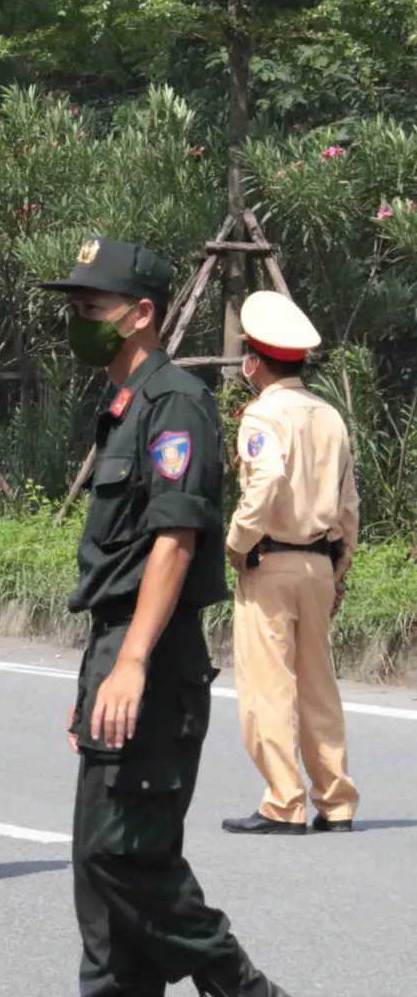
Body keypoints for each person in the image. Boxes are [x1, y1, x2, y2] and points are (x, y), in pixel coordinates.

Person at [41, 237, 290, 997]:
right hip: (118, 641)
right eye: (74, 307)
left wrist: (132, 661)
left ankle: (240, 986)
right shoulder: (123, 405)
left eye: (92, 308)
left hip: (152, 652)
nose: (78, 320)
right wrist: (102, 668)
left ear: (142, 313)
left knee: (126, 856)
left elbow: (174, 540)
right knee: (101, 879)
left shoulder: (174, 400)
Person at [222, 290, 359, 836]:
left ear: (255, 360)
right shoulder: (330, 417)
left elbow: (269, 479)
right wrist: (339, 569)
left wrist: (237, 541)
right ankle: (337, 801)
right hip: (319, 565)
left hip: (271, 562)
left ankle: (284, 801)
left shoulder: (262, 416)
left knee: (268, 685)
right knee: (318, 686)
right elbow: (349, 506)